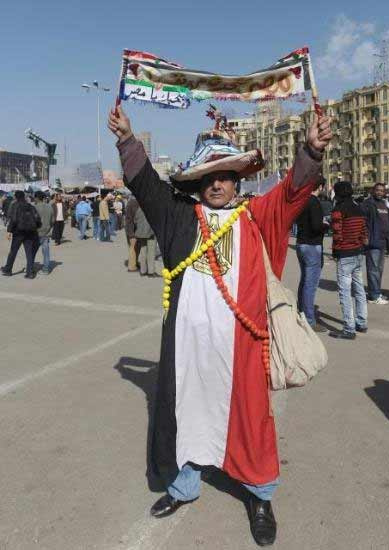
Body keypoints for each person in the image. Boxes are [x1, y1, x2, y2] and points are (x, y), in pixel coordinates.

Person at [108, 104, 332, 546]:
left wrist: (310, 149)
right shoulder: (177, 216)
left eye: (225, 174)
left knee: (251, 420)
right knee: (184, 412)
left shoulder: (256, 216)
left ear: (237, 180)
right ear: (196, 181)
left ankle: (260, 494)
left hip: (243, 343)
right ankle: (185, 486)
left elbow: (292, 192)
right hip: (188, 344)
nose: (216, 183)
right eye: (209, 175)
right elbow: (146, 184)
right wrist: (127, 140)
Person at [330, 182, 368, 340]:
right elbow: (364, 232)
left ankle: (349, 328)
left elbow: (337, 234)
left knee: (345, 291)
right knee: (359, 289)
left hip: (345, 254)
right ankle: (362, 322)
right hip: (358, 253)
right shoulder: (358, 208)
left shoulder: (338, 210)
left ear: (338, 193)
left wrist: (335, 251)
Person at [295, 177, 328, 332]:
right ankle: (309, 319)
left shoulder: (302, 201)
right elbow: (316, 226)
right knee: (310, 284)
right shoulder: (314, 202)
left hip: (301, 243)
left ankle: (301, 311)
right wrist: (325, 226)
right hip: (312, 245)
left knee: (304, 281)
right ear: (320, 186)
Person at [361, 183, 389, 304]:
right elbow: (362, 222)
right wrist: (365, 236)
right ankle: (374, 296)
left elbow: (388, 222)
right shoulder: (367, 204)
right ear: (373, 191)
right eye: (378, 190)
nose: (380, 192)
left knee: (379, 269)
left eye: (382, 191)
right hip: (373, 241)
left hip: (383, 242)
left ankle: (376, 292)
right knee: (373, 269)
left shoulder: (384, 204)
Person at [1, 191, 41, 278]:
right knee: (29, 252)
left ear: (16, 197)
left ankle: (8, 269)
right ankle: (30, 273)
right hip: (29, 233)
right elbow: (37, 219)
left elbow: (13, 220)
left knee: (13, 251)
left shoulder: (15, 205)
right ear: (24, 197)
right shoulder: (30, 206)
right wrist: (35, 228)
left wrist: (9, 231)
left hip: (18, 232)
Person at [134, 201, 160, 277]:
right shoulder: (154, 210)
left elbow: (135, 220)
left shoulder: (139, 209)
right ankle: (151, 272)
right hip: (151, 233)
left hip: (141, 233)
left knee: (143, 251)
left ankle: (143, 271)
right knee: (151, 252)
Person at [33, 191, 54, 274]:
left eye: (35, 197)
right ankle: (46, 269)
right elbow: (53, 220)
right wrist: (49, 227)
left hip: (36, 233)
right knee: (46, 252)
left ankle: (30, 268)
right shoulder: (50, 207)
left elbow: (32, 220)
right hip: (46, 233)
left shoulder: (34, 207)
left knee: (32, 251)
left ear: (37, 198)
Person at [125, 196, 140, 272]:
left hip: (135, 230)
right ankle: (131, 267)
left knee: (136, 248)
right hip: (132, 230)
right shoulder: (132, 202)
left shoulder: (134, 202)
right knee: (133, 248)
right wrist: (131, 234)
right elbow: (128, 219)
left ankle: (135, 263)